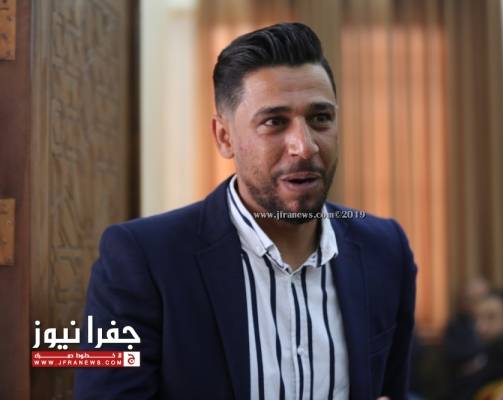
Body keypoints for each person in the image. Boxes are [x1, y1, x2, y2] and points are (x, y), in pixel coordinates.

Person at [74, 23, 417, 400]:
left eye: (320, 118)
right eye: (274, 122)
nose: (304, 146)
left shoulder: (386, 251)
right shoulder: (143, 260)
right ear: (224, 137)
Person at [443, 277, 490, 398]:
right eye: (471, 299)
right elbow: (457, 356)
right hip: (465, 387)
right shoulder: (456, 325)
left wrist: (482, 361)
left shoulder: (495, 323)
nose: (476, 304)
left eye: (480, 298)